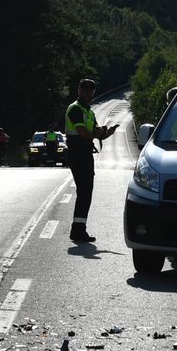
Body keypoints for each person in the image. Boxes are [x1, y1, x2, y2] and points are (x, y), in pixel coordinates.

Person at [66, 79, 117, 242]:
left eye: (90, 91)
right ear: (78, 91)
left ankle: (79, 229)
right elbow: (83, 132)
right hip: (77, 154)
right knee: (84, 192)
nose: (88, 93)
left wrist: (107, 133)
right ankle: (78, 231)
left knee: (86, 193)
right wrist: (96, 134)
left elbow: (94, 132)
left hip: (86, 155)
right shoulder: (75, 109)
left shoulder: (89, 112)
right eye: (84, 90)